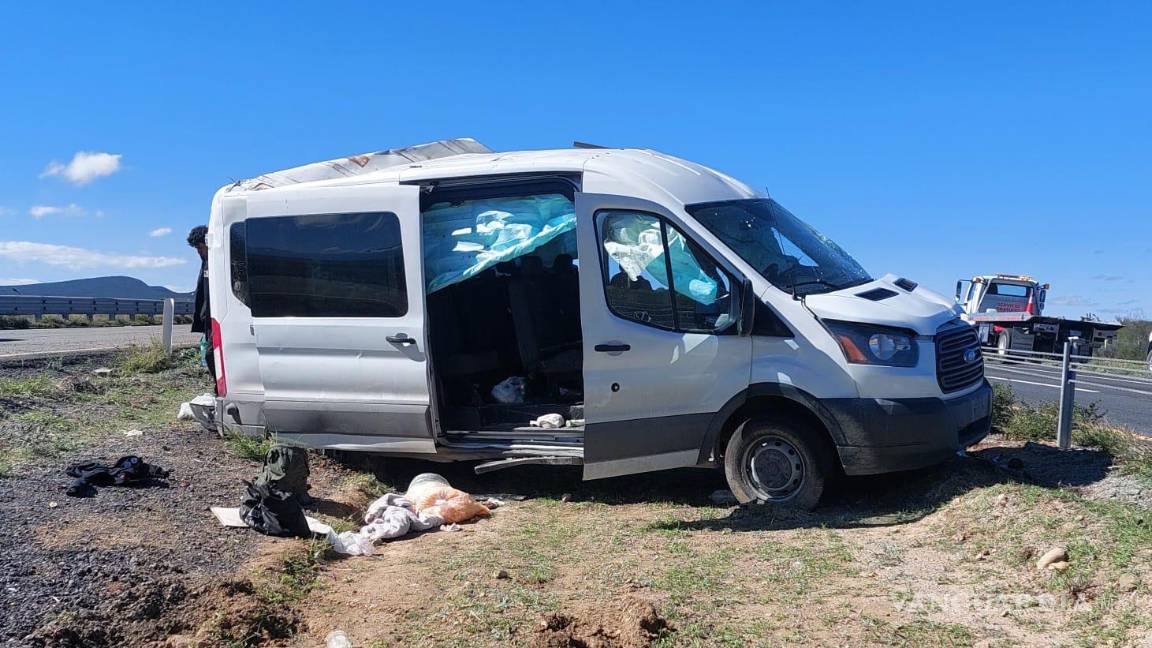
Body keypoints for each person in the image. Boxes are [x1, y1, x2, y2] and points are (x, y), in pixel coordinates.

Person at [187, 226, 216, 390]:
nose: (198, 252)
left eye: (200, 247)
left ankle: (220, 391)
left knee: (211, 355)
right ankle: (219, 390)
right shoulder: (206, 262)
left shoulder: (219, 261)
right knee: (211, 355)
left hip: (217, 318)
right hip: (209, 320)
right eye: (196, 248)